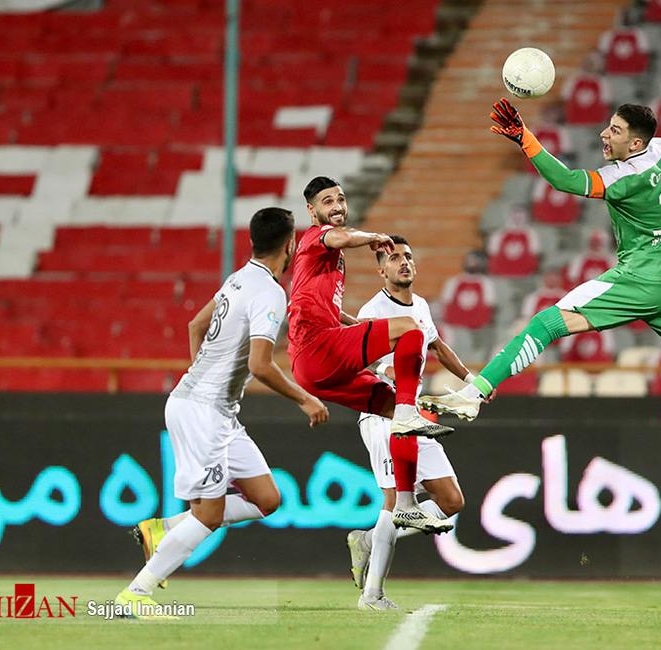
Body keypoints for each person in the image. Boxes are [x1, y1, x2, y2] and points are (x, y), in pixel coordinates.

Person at [421, 100, 661, 436]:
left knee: (545, 324)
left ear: (635, 142)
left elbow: (566, 181)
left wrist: (525, 138)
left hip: (644, 276)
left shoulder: (623, 177)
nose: (604, 135)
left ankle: (473, 395)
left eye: (615, 131)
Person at [118, 207, 329, 618]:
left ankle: (164, 529)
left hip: (213, 410)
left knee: (267, 499)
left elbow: (195, 326)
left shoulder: (238, 278)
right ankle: (136, 592)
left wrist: (202, 378)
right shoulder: (269, 292)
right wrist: (304, 398)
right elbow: (260, 365)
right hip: (203, 411)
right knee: (209, 515)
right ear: (289, 246)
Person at [289, 176, 453, 532]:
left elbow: (329, 310)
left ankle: (406, 505)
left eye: (341, 199)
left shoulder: (327, 264)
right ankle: (408, 416)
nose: (337, 206)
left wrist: (356, 324)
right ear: (312, 211)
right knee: (410, 328)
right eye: (328, 202)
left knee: (397, 410)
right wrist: (373, 237)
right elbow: (342, 237)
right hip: (316, 349)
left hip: (317, 364)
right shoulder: (316, 238)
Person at [347, 235, 481, 611]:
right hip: (382, 414)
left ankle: (370, 540)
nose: (403, 262)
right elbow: (354, 360)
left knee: (451, 500)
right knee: (394, 501)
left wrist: (471, 381)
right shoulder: (373, 311)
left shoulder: (420, 306)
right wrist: (383, 369)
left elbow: (436, 346)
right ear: (381, 271)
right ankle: (372, 595)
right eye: (393, 258)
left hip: (412, 416)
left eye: (407, 256)